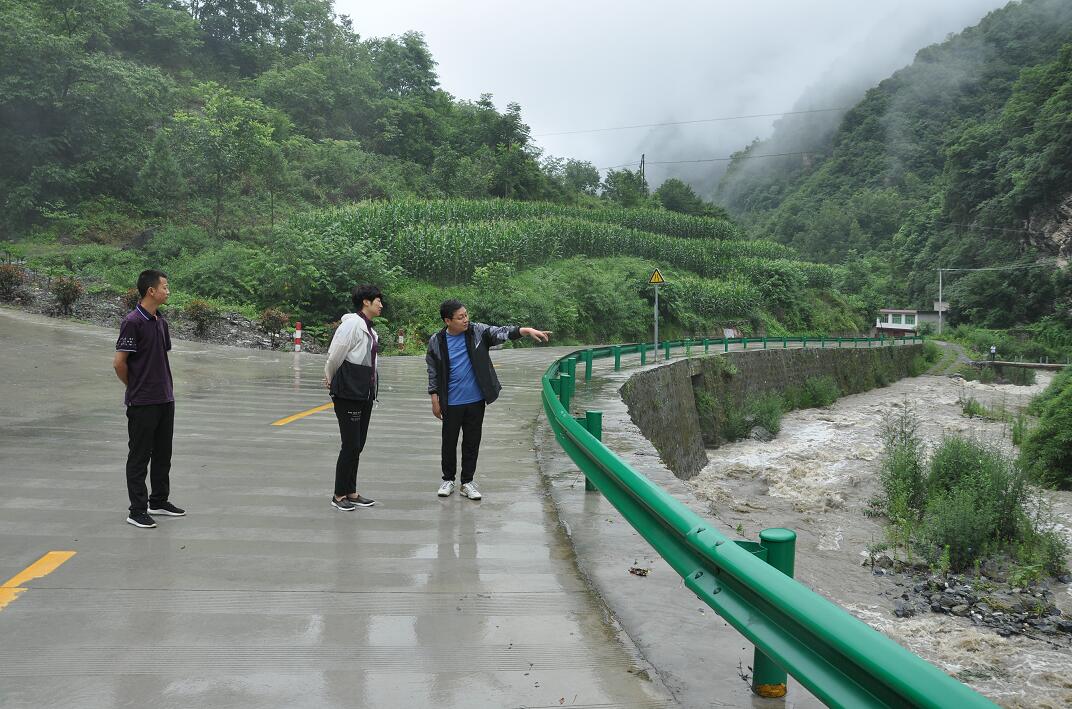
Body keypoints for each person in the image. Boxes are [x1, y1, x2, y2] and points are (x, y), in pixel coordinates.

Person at [426, 299, 550, 500]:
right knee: (448, 441)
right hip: (451, 401)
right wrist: (434, 397)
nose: (466, 319)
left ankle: (467, 482)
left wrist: (525, 330)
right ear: (448, 320)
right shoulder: (437, 341)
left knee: (472, 441)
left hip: (475, 400)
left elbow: (500, 332)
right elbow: (432, 370)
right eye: (460, 317)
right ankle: (448, 479)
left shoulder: (477, 332)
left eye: (466, 315)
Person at [113, 269, 185, 528]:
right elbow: (119, 363)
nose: (168, 291)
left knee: (163, 453)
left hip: (165, 398)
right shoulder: (133, 321)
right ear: (151, 291)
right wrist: (135, 386)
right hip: (143, 401)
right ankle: (137, 509)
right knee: (140, 455)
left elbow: (159, 356)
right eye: (164, 287)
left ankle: (159, 501)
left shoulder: (160, 321)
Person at [323, 285, 383, 511]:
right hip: (348, 391)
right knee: (350, 444)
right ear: (365, 302)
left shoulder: (370, 329)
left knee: (358, 444)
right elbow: (335, 354)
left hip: (364, 392)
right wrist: (330, 378)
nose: (381, 305)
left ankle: (351, 491)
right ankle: (338, 494)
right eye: (377, 300)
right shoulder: (351, 324)